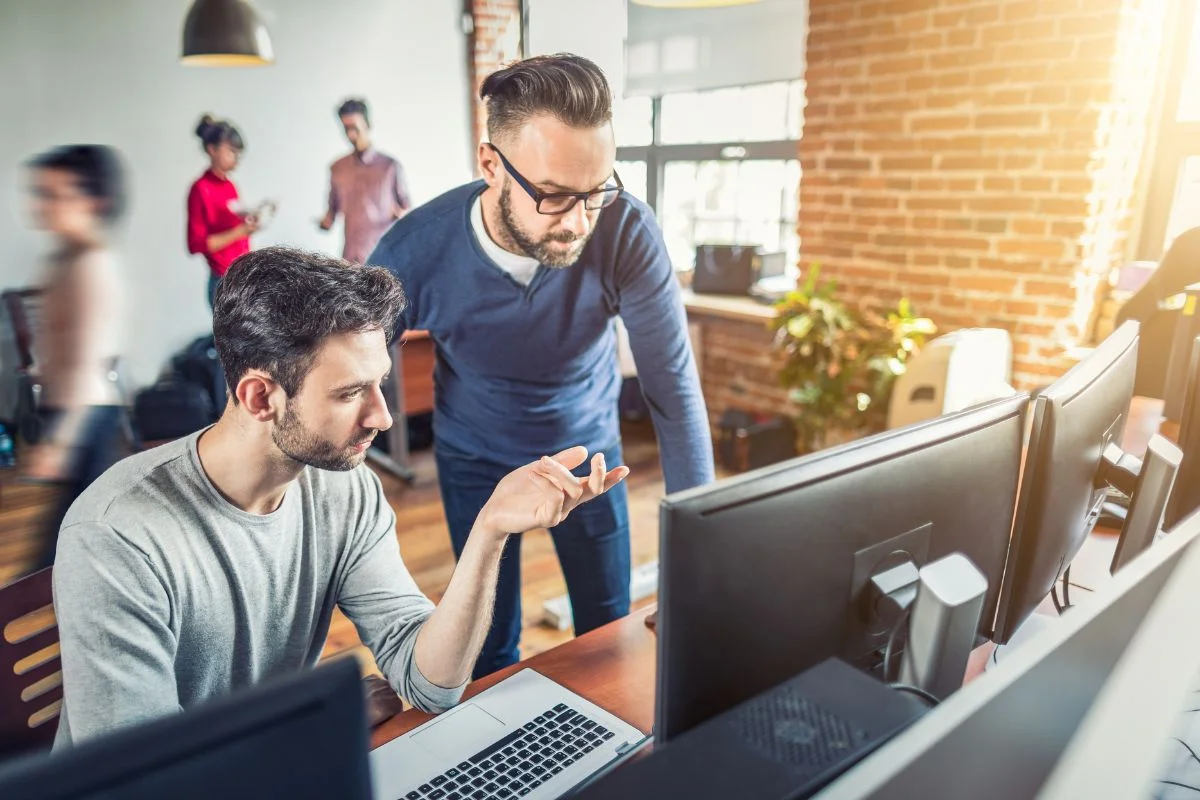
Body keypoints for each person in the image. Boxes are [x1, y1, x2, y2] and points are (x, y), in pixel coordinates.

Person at [51, 246, 628, 747]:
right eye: (352, 392)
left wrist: (490, 531)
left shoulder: (343, 488)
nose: (382, 414)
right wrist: (312, 723)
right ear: (260, 397)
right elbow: (144, 780)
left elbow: (428, 680)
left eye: (380, 382)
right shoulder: (117, 535)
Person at [369, 53, 714, 678]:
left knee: (607, 634)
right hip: (475, 457)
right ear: (491, 166)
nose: (579, 223)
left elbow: (673, 391)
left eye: (597, 191)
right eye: (554, 197)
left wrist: (699, 560)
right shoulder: (412, 250)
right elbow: (348, 380)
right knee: (490, 648)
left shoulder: (626, 230)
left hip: (590, 458)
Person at [22, 145, 128, 572]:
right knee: (69, 548)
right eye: (40, 193)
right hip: (71, 414)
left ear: (94, 201)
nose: (41, 206)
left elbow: (88, 365)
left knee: (61, 553)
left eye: (55, 195)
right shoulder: (65, 259)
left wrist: (61, 442)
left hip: (88, 420)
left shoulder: (90, 265)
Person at [187, 115, 271, 308]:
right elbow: (196, 244)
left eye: (238, 153)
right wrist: (241, 231)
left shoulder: (230, 186)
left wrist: (249, 223)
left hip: (242, 276)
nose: (236, 158)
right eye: (231, 151)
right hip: (222, 281)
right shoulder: (200, 189)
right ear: (212, 149)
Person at [318, 98, 411, 264]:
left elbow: (407, 211)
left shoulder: (390, 167)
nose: (351, 134)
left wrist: (401, 215)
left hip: (385, 258)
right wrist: (324, 222)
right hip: (350, 260)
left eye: (355, 128)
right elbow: (331, 213)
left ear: (367, 125)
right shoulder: (337, 168)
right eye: (346, 129)